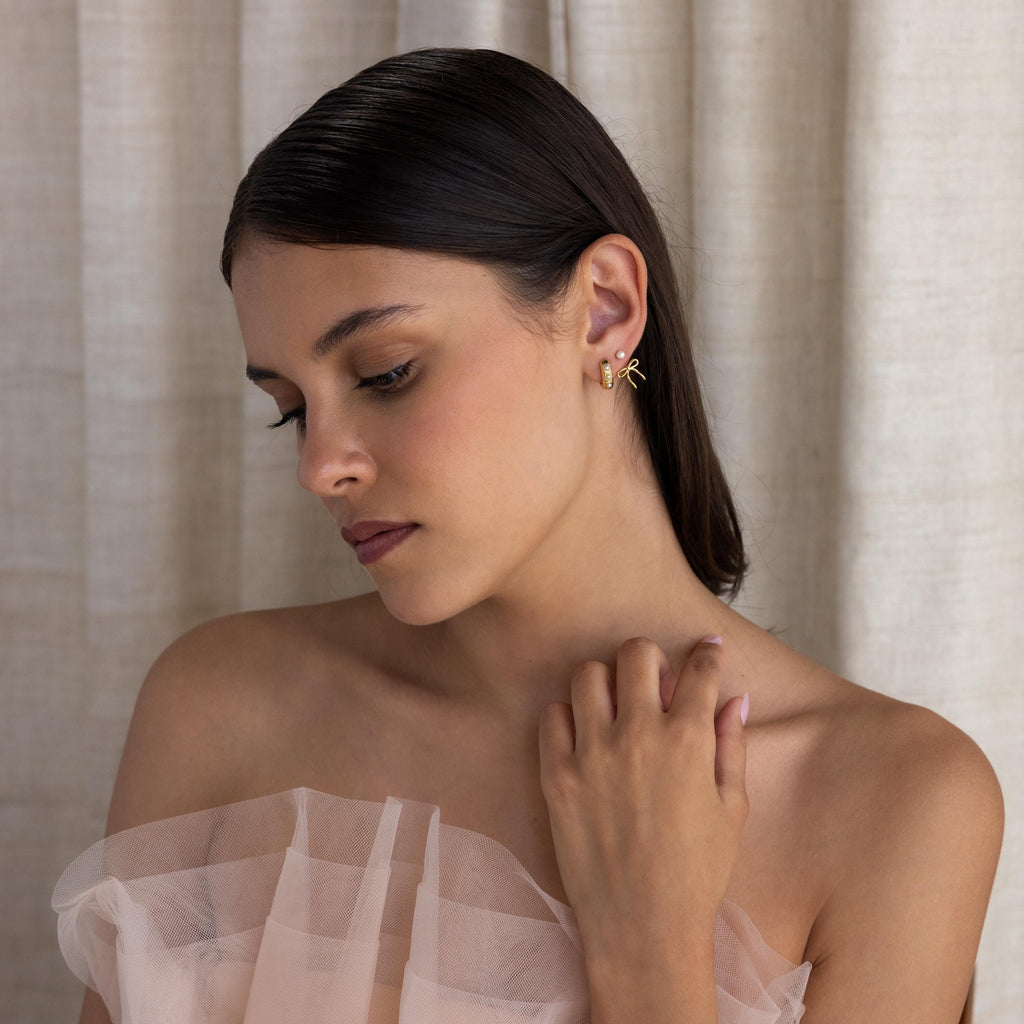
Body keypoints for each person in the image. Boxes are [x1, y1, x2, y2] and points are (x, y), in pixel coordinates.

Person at [55, 48, 1002, 1024]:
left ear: (604, 309)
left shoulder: (896, 803)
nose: (320, 466)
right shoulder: (220, 707)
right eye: (291, 408)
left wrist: (649, 952)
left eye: (385, 372)